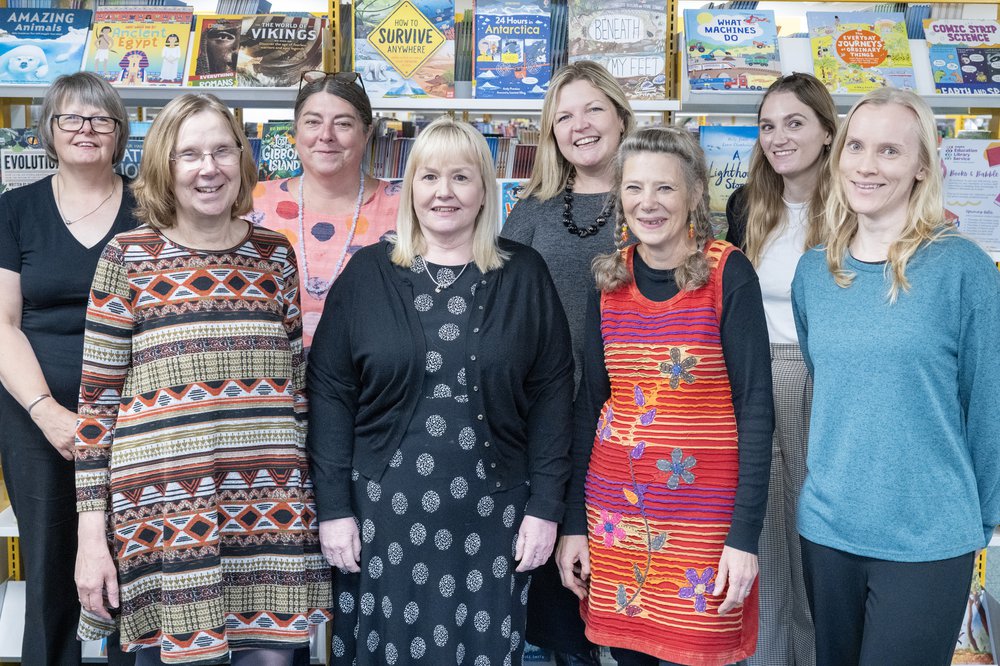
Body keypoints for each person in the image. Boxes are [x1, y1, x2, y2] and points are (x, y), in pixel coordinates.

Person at [73, 93, 331, 665]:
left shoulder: (274, 255)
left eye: (222, 151)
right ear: (165, 165)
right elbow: (97, 407)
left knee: (271, 657)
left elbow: (297, 391)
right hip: (166, 520)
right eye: (190, 155)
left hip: (269, 513)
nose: (208, 168)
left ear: (243, 161)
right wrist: (92, 537)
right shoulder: (128, 256)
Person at [307, 115, 574, 665]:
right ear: (411, 190)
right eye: (429, 177)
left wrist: (546, 508)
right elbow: (331, 394)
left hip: (496, 512)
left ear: (485, 190)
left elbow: (552, 396)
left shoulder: (525, 274)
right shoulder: (366, 275)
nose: (443, 193)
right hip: (381, 514)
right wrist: (333, 509)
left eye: (461, 177)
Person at [791, 88, 1000, 666]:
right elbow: (832, 388)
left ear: (921, 167)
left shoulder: (964, 269)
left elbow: (990, 408)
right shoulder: (816, 272)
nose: (866, 164)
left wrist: (974, 523)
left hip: (929, 538)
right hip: (828, 531)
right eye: (855, 146)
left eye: (889, 151)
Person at [559, 126, 774, 665]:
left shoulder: (729, 273)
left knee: (698, 652)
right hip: (616, 519)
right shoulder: (608, 280)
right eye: (633, 189)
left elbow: (755, 410)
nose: (647, 204)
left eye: (665, 189)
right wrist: (573, 527)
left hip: (705, 523)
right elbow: (590, 407)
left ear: (696, 194)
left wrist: (744, 539)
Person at [500, 60, 634, 666]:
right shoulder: (529, 212)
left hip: (637, 425)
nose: (579, 126)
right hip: (546, 428)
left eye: (592, 110)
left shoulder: (656, 197)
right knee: (562, 618)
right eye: (563, 116)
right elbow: (497, 313)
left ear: (621, 115)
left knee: (637, 607)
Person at [0, 72, 136, 666]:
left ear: (120, 133)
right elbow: (2, 324)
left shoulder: (151, 204)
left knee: (139, 558)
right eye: (72, 119)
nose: (87, 129)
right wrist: (47, 412)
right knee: (53, 562)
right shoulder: (14, 210)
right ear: (49, 130)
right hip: (36, 416)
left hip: (137, 412)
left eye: (101, 119)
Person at [725, 72, 836, 666]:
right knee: (758, 533)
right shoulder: (748, 205)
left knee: (814, 538)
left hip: (824, 381)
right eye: (768, 126)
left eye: (795, 123)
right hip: (753, 378)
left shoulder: (850, 205)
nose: (778, 138)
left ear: (826, 131)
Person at [252, 70, 400, 352]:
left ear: (367, 132)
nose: (326, 136)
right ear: (295, 131)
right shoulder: (252, 203)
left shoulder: (404, 206)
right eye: (312, 122)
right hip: (274, 385)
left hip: (367, 389)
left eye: (343, 124)